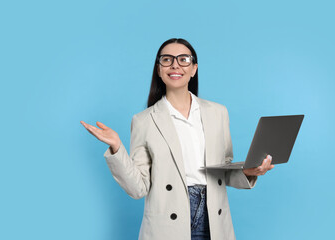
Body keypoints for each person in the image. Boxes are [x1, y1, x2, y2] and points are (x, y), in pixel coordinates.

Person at [80, 38, 274, 240]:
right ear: (158, 69)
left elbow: (223, 170)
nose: (175, 65)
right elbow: (138, 188)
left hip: (214, 219)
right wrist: (117, 148)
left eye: (183, 59)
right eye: (167, 59)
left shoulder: (218, 113)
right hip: (166, 223)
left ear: (194, 68)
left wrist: (248, 171)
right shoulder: (143, 121)